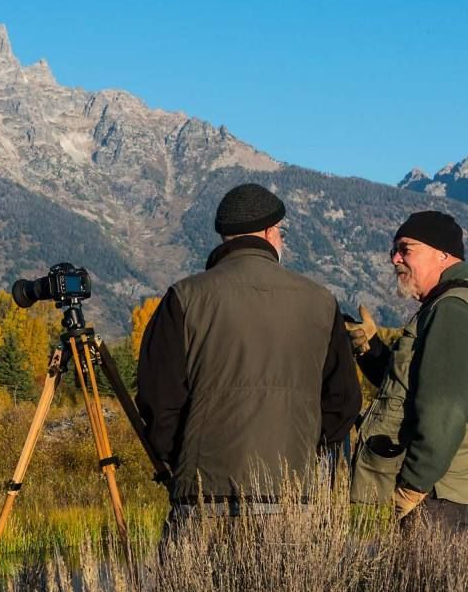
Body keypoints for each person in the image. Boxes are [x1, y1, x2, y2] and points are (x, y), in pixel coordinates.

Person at [136, 183, 361, 519]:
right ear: (271, 233)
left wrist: (182, 464)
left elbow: (157, 400)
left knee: (199, 574)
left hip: (205, 494)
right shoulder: (321, 301)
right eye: (282, 233)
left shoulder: (184, 297)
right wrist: (307, 456)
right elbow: (343, 403)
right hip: (294, 496)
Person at [347, 210, 468, 540]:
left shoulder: (451, 310)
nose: (395, 258)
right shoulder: (466, 303)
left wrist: (412, 486)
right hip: (456, 494)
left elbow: (446, 411)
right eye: (393, 250)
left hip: (441, 498)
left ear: (442, 254)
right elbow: (415, 386)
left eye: (405, 248)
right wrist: (370, 348)